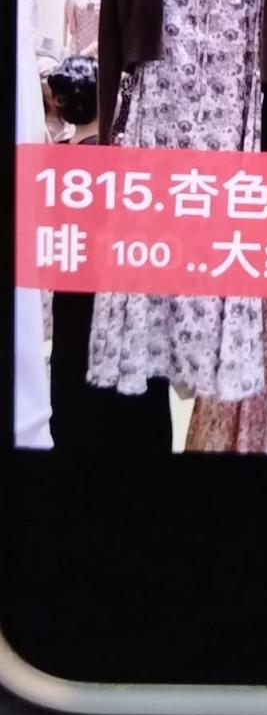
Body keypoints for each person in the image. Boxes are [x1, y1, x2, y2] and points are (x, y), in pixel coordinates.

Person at [46, 56, 172, 453]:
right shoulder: (124, 165)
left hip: (72, 298)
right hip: (120, 303)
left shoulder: (53, 161)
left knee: (74, 380)